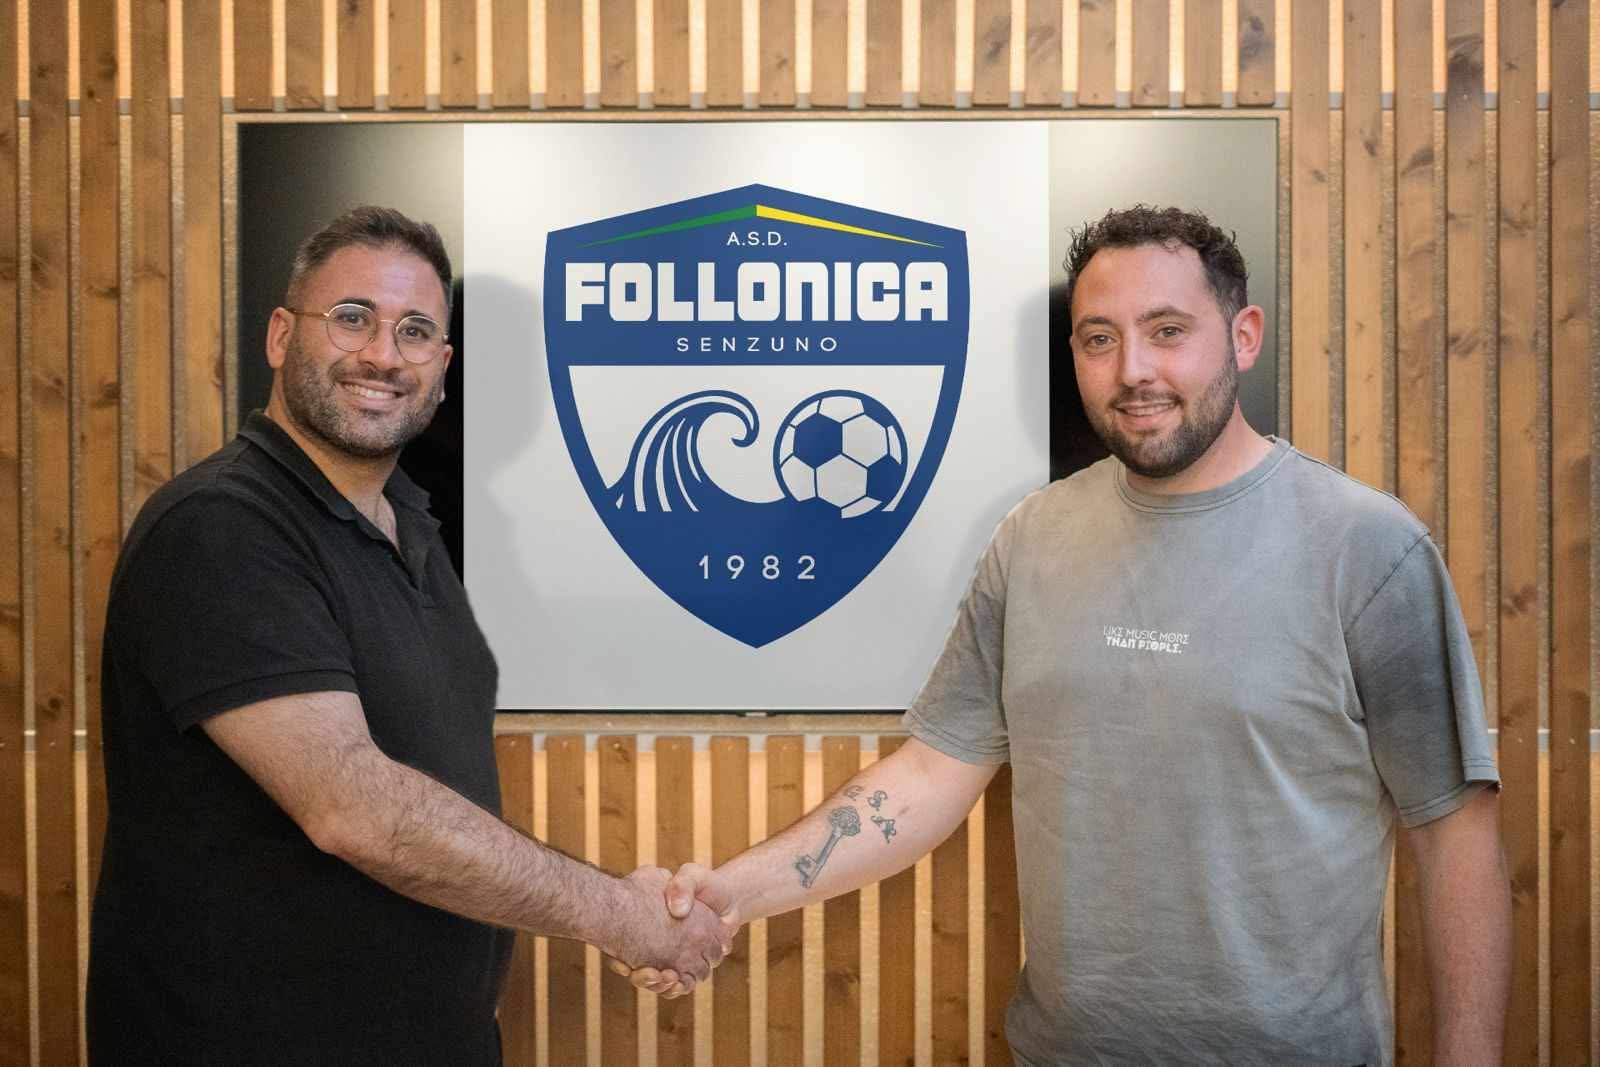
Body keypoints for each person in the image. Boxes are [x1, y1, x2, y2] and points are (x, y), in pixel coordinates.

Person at [623, 206, 1512, 1065]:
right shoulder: (1034, 538)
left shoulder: (1368, 548)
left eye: (1168, 331)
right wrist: (732, 892)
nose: (1133, 370)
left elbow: (1456, 834)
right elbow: (928, 777)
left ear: (1244, 337)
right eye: (1098, 338)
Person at [87, 206, 730, 1065]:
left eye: (415, 331)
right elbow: (353, 806)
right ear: (280, 335)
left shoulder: (409, 526)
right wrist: (618, 912)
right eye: (352, 317)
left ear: (443, 368)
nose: (384, 355)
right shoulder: (223, 528)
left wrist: (629, 906)